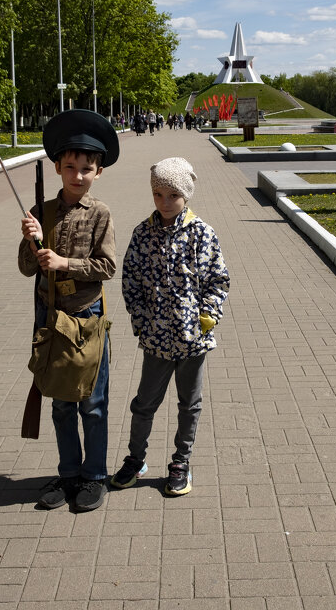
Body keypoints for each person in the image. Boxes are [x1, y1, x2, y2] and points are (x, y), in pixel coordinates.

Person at [18, 109, 119, 513]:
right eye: (71, 167)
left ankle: (95, 476)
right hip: (51, 319)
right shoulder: (41, 211)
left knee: (92, 404)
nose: (78, 175)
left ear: (99, 172)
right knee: (61, 403)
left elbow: (107, 267)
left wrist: (65, 263)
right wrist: (31, 240)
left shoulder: (100, 213)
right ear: (58, 167)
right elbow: (27, 268)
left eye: (87, 169)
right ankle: (70, 473)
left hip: (87, 319)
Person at [112, 157, 230, 497]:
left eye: (173, 195)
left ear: (186, 194)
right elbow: (131, 279)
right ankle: (136, 459)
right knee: (144, 403)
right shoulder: (142, 233)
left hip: (193, 338)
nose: (165, 202)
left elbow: (218, 279)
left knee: (189, 404)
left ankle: (181, 462)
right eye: (158, 194)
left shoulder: (202, 233)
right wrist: (140, 319)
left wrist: (208, 315)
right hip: (156, 339)